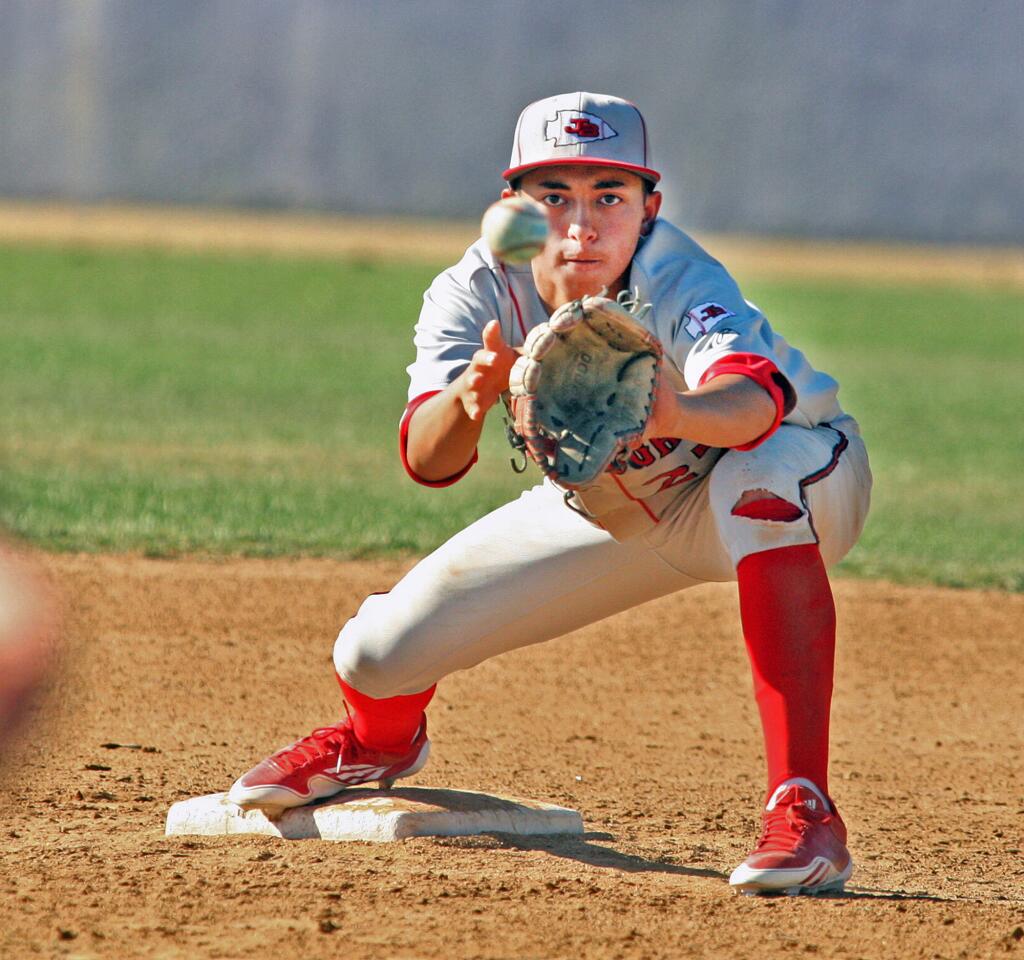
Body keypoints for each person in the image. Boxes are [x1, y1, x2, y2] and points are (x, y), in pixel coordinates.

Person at [228, 92, 871, 896]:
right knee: (373, 653)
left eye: (610, 196)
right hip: (616, 506)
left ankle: (804, 809)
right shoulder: (476, 288)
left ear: (649, 208)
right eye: (554, 197)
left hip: (802, 473)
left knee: (759, 478)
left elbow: (753, 407)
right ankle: (377, 742)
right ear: (515, 211)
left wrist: (673, 411)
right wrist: (466, 400)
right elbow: (428, 462)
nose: (583, 224)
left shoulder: (679, 274)